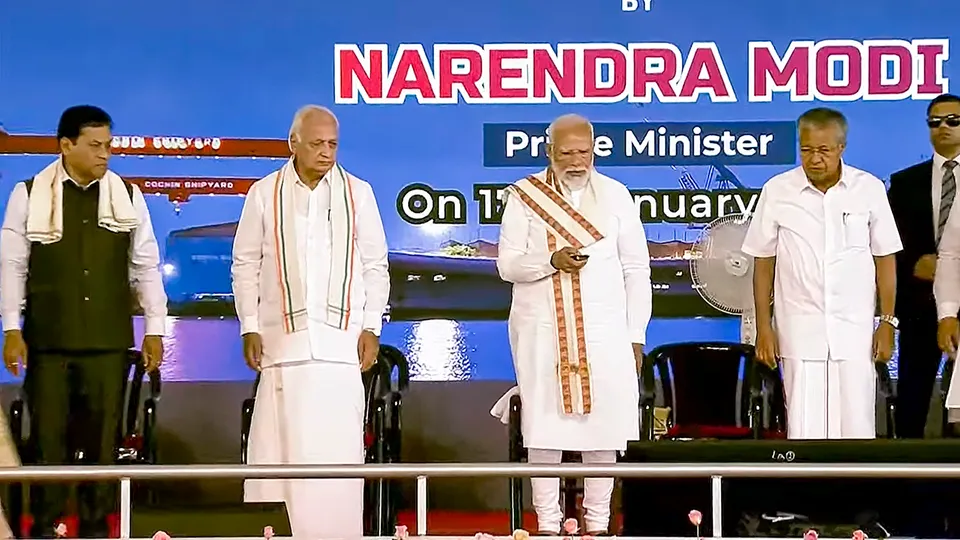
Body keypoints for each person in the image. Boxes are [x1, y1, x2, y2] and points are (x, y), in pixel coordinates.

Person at [0, 105, 167, 538]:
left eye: (109, 145)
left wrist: (154, 328)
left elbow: (145, 267)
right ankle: (44, 528)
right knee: (48, 445)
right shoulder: (30, 192)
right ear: (66, 145)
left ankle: (96, 530)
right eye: (95, 146)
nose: (105, 154)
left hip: (107, 345)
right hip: (49, 344)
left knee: (103, 449)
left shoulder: (127, 196)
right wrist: (11, 329)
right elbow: (13, 266)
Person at [233, 105, 389, 539]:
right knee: (277, 457)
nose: (326, 152)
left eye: (333, 144)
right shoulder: (264, 193)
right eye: (317, 143)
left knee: (336, 459)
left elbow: (376, 265)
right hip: (282, 346)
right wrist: (248, 324)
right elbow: (244, 263)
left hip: (340, 350)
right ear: (293, 143)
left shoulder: (359, 193)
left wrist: (371, 326)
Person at [496, 114, 651, 535]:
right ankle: (546, 523)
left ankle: (597, 524)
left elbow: (637, 269)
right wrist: (550, 262)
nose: (576, 160)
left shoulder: (618, 196)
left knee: (604, 432)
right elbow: (506, 264)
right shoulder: (525, 196)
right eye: (566, 152)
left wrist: (635, 334)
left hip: (605, 334)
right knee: (544, 431)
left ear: (595, 150)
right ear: (549, 152)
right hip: (543, 331)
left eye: (584, 151)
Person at [742, 107, 901, 440]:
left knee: (857, 427)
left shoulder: (868, 189)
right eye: (807, 150)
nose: (814, 159)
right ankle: (807, 492)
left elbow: (885, 257)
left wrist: (887, 322)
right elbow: (762, 261)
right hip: (799, 329)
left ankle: (855, 492)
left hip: (855, 333)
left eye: (824, 150)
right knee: (803, 428)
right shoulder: (777, 190)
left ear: (841, 147)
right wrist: (763, 327)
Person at [888, 93, 960, 438]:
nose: (942, 127)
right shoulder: (904, 183)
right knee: (913, 399)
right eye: (935, 121)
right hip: (919, 305)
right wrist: (915, 264)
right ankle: (904, 481)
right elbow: (886, 247)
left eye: (952, 120)